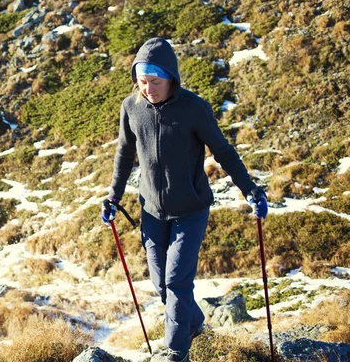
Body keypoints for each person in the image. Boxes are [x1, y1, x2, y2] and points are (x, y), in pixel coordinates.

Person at [101, 38, 268, 362]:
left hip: (191, 210)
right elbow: (124, 154)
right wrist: (113, 196)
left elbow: (224, 152)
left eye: (155, 82)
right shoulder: (131, 108)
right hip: (151, 210)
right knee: (161, 284)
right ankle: (194, 323)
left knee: (177, 281)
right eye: (142, 82)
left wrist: (250, 189)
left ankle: (176, 352)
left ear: (171, 78)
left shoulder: (194, 108)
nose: (148, 89)